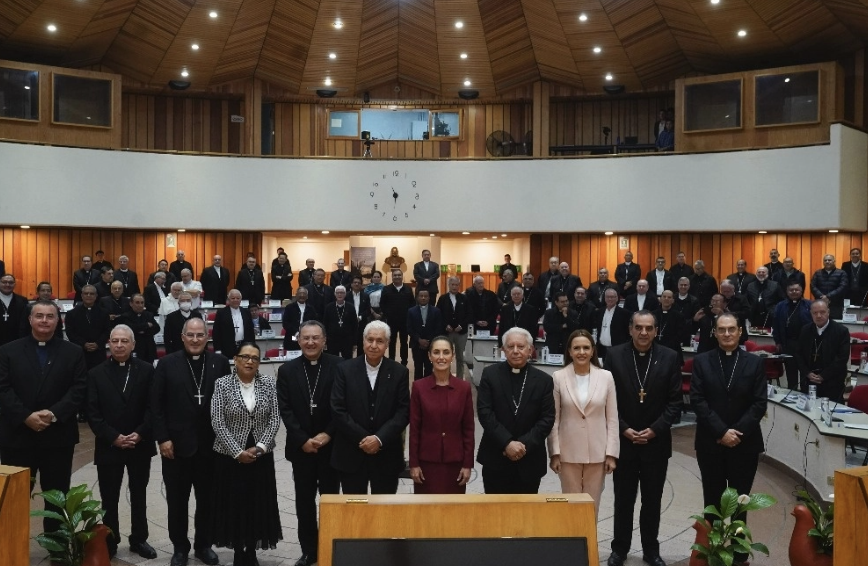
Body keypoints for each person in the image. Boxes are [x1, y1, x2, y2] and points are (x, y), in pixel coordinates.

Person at [0, 300, 87, 533]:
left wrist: (54, 413)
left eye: (50, 316)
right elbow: (3, 389)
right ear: (30, 319)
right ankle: (12, 550)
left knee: (57, 498)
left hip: (57, 437)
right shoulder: (8, 351)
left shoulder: (73, 352)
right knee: (14, 496)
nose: (44, 321)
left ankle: (57, 548)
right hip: (17, 437)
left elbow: (79, 389)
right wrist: (26, 416)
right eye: (39, 316)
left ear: (58, 321)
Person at [604, 312, 682, 566]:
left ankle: (651, 550)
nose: (643, 333)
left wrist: (655, 429)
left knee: (652, 501)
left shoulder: (669, 357)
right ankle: (619, 549)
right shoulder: (614, 356)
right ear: (630, 329)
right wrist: (624, 429)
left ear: (656, 330)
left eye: (649, 328)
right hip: (624, 442)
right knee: (623, 500)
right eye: (638, 327)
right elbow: (608, 400)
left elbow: (674, 403)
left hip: (656, 444)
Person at [151, 318, 230, 566]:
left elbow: (228, 404)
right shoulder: (166, 364)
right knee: (177, 501)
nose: (195, 340)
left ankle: (203, 545)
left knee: (207, 500)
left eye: (200, 335)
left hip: (211, 447)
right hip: (176, 447)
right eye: (191, 335)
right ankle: (180, 548)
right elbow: (156, 406)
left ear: (207, 337)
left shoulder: (220, 363)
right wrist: (163, 438)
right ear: (183, 337)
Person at [690, 313, 767, 534]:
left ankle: (738, 553)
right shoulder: (702, 361)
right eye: (721, 330)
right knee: (712, 502)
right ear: (714, 333)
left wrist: (737, 433)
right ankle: (710, 551)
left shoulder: (755, 363)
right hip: (710, 443)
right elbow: (697, 399)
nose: (726, 334)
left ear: (740, 332)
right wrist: (722, 431)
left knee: (741, 502)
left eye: (731, 329)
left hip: (745, 444)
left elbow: (759, 403)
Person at [87, 325, 158, 559]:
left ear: (133, 344)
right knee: (109, 497)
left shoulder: (147, 371)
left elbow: (152, 408)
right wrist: (114, 437)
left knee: (139, 494)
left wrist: (140, 433)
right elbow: (93, 413)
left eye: (124, 341)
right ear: (108, 342)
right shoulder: (96, 373)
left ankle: (139, 539)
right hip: (109, 446)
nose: (119, 345)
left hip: (140, 444)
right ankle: (111, 540)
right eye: (115, 341)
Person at [210, 342, 282, 566]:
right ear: (236, 359)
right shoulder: (222, 384)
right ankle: (238, 550)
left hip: (260, 454)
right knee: (235, 504)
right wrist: (237, 452)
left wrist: (260, 447)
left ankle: (251, 549)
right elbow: (217, 422)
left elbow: (275, 419)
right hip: (230, 456)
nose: (250, 361)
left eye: (255, 358)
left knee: (257, 503)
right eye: (245, 356)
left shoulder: (269, 383)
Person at [276, 321, 341, 566]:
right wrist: (302, 439)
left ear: (325, 340)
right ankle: (309, 551)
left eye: (316, 338)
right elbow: (285, 409)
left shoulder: (340, 366)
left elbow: (342, 406)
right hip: (301, 449)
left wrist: (328, 434)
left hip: (330, 448)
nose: (311, 342)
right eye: (306, 338)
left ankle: (330, 546)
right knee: (304, 502)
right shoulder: (287, 370)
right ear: (298, 340)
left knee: (330, 501)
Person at [330, 321, 410, 494]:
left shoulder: (399, 372)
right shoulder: (344, 369)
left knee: (383, 512)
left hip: (386, 453)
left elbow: (403, 412)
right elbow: (338, 409)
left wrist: (379, 439)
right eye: (370, 339)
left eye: (380, 341)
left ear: (388, 344)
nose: (374, 345)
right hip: (351, 452)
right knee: (355, 511)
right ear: (363, 340)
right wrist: (365, 439)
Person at [548, 330, 618, 518]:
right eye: (576, 348)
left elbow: (612, 418)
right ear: (569, 351)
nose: (581, 352)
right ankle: (572, 546)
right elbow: (554, 419)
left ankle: (589, 545)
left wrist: (611, 454)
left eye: (586, 348)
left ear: (593, 351)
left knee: (591, 505)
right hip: (567, 451)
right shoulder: (558, 377)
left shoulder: (606, 377)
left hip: (598, 451)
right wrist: (554, 453)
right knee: (570, 505)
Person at [476, 327, 555, 494]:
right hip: (495, 457)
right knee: (495, 514)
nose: (516, 351)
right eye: (510, 346)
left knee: (526, 517)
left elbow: (547, 418)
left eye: (521, 346)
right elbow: (485, 413)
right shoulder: (490, 375)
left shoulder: (544, 381)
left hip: (530, 459)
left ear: (530, 350)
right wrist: (507, 442)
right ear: (503, 350)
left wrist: (522, 445)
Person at [409, 336, 474, 494]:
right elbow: (414, 429)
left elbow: (468, 429)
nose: (441, 357)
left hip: (455, 462)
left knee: (453, 513)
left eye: (446, 352)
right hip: (426, 462)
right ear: (429, 356)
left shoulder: (463, 388)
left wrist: (467, 464)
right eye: (436, 352)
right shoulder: (419, 387)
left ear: (452, 355)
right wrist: (414, 464)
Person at [796, 299, 850, 402]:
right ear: (811, 314)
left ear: (828, 312)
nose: (819, 316)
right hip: (809, 381)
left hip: (832, 382)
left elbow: (842, 358)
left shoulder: (841, 331)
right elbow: (799, 354)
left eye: (822, 312)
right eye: (815, 313)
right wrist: (807, 373)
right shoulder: (805, 330)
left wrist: (823, 376)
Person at [773, 282, 812, 391]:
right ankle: (792, 393)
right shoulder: (781, 306)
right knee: (791, 372)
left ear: (801, 291)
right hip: (788, 344)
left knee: (805, 372)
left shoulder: (808, 305)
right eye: (791, 290)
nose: (794, 292)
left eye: (796, 290)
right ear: (787, 292)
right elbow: (776, 325)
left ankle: (805, 395)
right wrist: (778, 342)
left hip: (805, 345)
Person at [65, 285, 109, 370]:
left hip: (98, 352)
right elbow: (70, 332)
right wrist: (84, 344)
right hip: (80, 352)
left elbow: (107, 331)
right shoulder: (71, 314)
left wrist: (97, 344)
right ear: (81, 296)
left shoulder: (104, 313)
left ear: (96, 296)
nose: (88, 296)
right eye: (86, 293)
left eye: (91, 294)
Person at [379, 269, 415, 365]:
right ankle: (391, 362)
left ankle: (404, 362)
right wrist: (388, 314)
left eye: (399, 275)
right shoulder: (386, 289)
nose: (397, 277)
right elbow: (382, 304)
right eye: (395, 275)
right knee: (392, 343)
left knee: (404, 343)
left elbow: (412, 303)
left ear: (402, 276)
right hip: (391, 321)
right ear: (392, 277)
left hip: (404, 321)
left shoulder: (408, 289)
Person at [436, 276, 469, 379]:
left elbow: (469, 314)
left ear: (459, 286)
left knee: (460, 357)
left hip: (461, 333)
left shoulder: (464, 298)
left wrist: (462, 325)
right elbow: (438, 314)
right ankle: (446, 377)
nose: (454, 287)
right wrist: (445, 325)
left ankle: (459, 379)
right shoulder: (442, 298)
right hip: (447, 332)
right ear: (449, 285)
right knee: (446, 356)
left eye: (456, 285)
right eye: (452, 284)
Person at [407, 290, 442, 379]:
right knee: (418, 368)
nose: (423, 298)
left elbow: (438, 328)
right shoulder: (411, 311)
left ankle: (428, 389)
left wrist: (428, 341)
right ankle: (418, 390)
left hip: (431, 345)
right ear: (417, 297)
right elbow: (409, 328)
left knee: (429, 368)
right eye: (421, 296)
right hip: (416, 344)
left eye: (425, 296)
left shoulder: (436, 311)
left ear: (429, 298)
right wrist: (419, 340)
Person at [212, 289, 255, 358]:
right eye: (233, 298)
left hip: (244, 347)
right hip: (226, 348)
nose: (235, 300)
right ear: (228, 300)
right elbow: (216, 333)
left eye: (238, 298)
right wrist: (218, 350)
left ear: (241, 300)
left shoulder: (246, 312)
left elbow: (251, 332)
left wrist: (252, 347)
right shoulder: (221, 313)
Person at [117, 293, 159, 362]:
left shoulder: (149, 315)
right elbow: (130, 329)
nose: (140, 305)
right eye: (137, 302)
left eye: (142, 303)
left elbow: (157, 328)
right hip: (134, 349)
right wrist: (146, 325)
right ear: (131, 304)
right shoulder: (126, 316)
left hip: (149, 349)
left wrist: (141, 331)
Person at [593, 288, 631, 360]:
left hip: (617, 349)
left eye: (612, 297)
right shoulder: (599, 312)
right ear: (605, 298)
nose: (610, 299)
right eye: (608, 297)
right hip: (602, 349)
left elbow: (628, 333)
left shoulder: (624, 313)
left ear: (617, 298)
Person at [323, 285, 358, 360]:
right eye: (338, 293)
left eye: (342, 293)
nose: (339, 295)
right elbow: (325, 325)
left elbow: (354, 325)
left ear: (345, 294)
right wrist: (325, 340)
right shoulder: (329, 307)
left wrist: (355, 342)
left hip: (347, 340)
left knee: (347, 361)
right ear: (334, 294)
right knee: (332, 360)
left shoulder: (350, 307)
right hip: (332, 340)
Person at [810, 254, 848, 319]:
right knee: (820, 322)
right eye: (825, 260)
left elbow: (842, 287)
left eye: (829, 260)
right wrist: (822, 297)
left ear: (834, 261)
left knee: (836, 325)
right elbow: (813, 286)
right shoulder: (817, 273)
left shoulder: (841, 273)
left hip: (836, 305)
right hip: (820, 304)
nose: (827, 262)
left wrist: (828, 296)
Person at [652, 290, 686, 363]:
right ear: (660, 299)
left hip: (672, 350)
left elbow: (680, 335)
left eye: (669, 297)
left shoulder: (679, 316)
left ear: (673, 300)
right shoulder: (653, 315)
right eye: (664, 297)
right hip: (654, 350)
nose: (666, 299)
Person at [543, 292, 581, 356]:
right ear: (556, 302)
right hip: (553, 345)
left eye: (566, 301)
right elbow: (547, 327)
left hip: (567, 345)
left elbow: (575, 328)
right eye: (562, 302)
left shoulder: (573, 313)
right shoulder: (549, 313)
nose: (565, 303)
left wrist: (566, 316)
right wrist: (561, 326)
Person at [0, 274, 28, 346]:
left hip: (16, 342)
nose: (7, 284)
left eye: (11, 282)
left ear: (14, 284)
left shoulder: (23, 301)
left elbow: (25, 324)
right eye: (4, 282)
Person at [347, 275, 371, 353]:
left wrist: (360, 317)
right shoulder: (346, 295)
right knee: (349, 346)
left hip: (362, 323)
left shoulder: (365, 296)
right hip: (349, 324)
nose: (357, 284)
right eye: (355, 282)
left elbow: (368, 310)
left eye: (359, 283)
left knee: (361, 346)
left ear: (361, 285)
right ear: (351, 284)